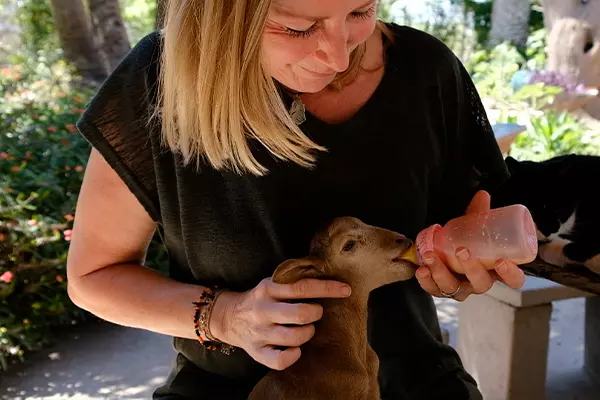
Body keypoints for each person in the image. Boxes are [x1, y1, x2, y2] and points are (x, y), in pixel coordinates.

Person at [66, 1, 526, 398]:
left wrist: (460, 268)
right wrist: (226, 317)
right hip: (235, 391)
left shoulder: (428, 70)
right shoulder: (158, 83)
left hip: (414, 382)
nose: (339, 52)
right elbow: (92, 278)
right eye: (298, 27)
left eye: (360, 11)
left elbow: (459, 236)